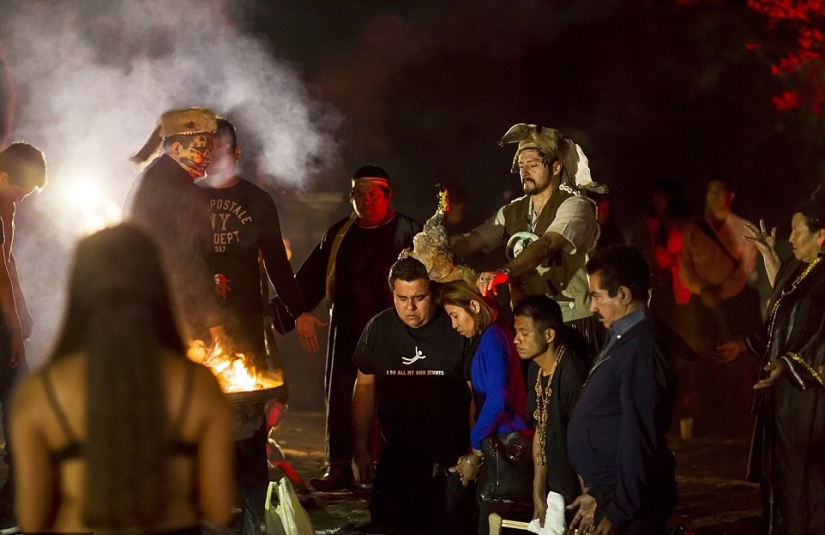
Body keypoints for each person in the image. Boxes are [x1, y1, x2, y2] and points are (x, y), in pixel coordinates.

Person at [10, 224, 234, 533]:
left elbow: (32, 519)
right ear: (157, 285)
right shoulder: (199, 385)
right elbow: (219, 509)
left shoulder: (40, 393)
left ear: (79, 287)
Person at [200, 118, 318, 535]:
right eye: (208, 147)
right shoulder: (187, 197)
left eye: (222, 147)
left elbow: (278, 264)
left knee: (245, 417)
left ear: (237, 152)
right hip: (196, 327)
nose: (215, 154)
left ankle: (250, 505)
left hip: (246, 322)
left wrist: (299, 310)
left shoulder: (257, 200)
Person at [294, 165, 421, 491]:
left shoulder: (407, 229)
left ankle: (393, 469)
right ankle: (339, 468)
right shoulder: (340, 233)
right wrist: (298, 311)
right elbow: (308, 278)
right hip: (347, 329)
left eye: (372, 194)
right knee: (340, 395)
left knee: (395, 398)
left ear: (387, 195)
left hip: (396, 330)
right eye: (358, 195)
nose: (365, 201)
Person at [712, 186, 825, 535]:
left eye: (797, 232)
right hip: (785, 398)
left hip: (810, 399)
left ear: (821, 236)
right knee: (783, 477)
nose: (789, 237)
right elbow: (784, 311)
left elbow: (815, 336)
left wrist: (788, 365)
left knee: (809, 482)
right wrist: (747, 346)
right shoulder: (799, 267)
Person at [450, 123, 603, 353]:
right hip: (529, 324)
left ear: (555, 167)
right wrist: (430, 245)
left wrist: (504, 272)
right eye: (521, 166)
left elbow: (547, 244)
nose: (524, 172)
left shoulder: (576, 206)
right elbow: (471, 241)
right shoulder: (513, 211)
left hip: (571, 323)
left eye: (532, 165)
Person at [351, 257, 474, 533]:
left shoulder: (455, 326)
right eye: (402, 298)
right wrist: (359, 447)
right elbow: (364, 387)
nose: (410, 307)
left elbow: (475, 395)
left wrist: (473, 453)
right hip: (397, 454)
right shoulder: (379, 328)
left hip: (449, 459)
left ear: (433, 294)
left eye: (419, 297)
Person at [567, 245, 677, 535]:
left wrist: (619, 510)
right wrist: (599, 493)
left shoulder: (642, 349)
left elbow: (637, 434)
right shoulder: (620, 336)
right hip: (613, 493)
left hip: (634, 506)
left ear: (624, 295)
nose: (591, 308)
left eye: (597, 297)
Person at [123, 107, 224, 345]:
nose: (208, 159)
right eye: (201, 150)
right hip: (169, 308)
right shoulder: (176, 188)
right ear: (177, 149)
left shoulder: (152, 177)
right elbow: (185, 258)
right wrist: (215, 323)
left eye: (210, 151)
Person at [438, 280, 528, 535]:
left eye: (455, 316)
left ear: (474, 306)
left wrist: (476, 444)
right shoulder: (489, 338)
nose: (454, 325)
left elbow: (498, 399)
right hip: (498, 444)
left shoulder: (493, 338)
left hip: (504, 446)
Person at [679, 176, 761, 436]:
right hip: (701, 301)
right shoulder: (694, 229)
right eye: (710, 191)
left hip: (733, 302)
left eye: (720, 191)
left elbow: (745, 270)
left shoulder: (744, 228)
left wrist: (721, 293)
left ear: (731, 195)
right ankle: (704, 413)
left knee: (733, 356)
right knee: (698, 355)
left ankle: (735, 415)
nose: (715, 196)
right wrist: (703, 290)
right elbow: (685, 267)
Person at [511, 295, 588, 533]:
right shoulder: (535, 367)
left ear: (549, 335)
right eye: (516, 332)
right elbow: (540, 430)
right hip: (555, 489)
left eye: (524, 333)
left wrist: (590, 498)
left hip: (578, 491)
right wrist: (537, 492)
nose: (516, 340)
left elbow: (585, 439)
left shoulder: (571, 374)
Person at [0, 142, 46, 529]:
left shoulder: (8, 205)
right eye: (20, 190)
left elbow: (8, 258)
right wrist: (14, 325)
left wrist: (23, 305)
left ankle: (15, 493)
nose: (21, 198)